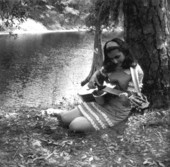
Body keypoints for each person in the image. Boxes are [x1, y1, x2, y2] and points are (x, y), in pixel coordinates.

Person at [57, 38, 144, 132]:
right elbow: (100, 72)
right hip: (101, 103)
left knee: (74, 125)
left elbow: (130, 101)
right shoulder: (110, 65)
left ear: (125, 52)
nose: (114, 61)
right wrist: (93, 80)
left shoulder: (135, 72)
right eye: (111, 58)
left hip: (116, 112)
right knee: (64, 118)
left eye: (117, 57)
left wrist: (126, 99)